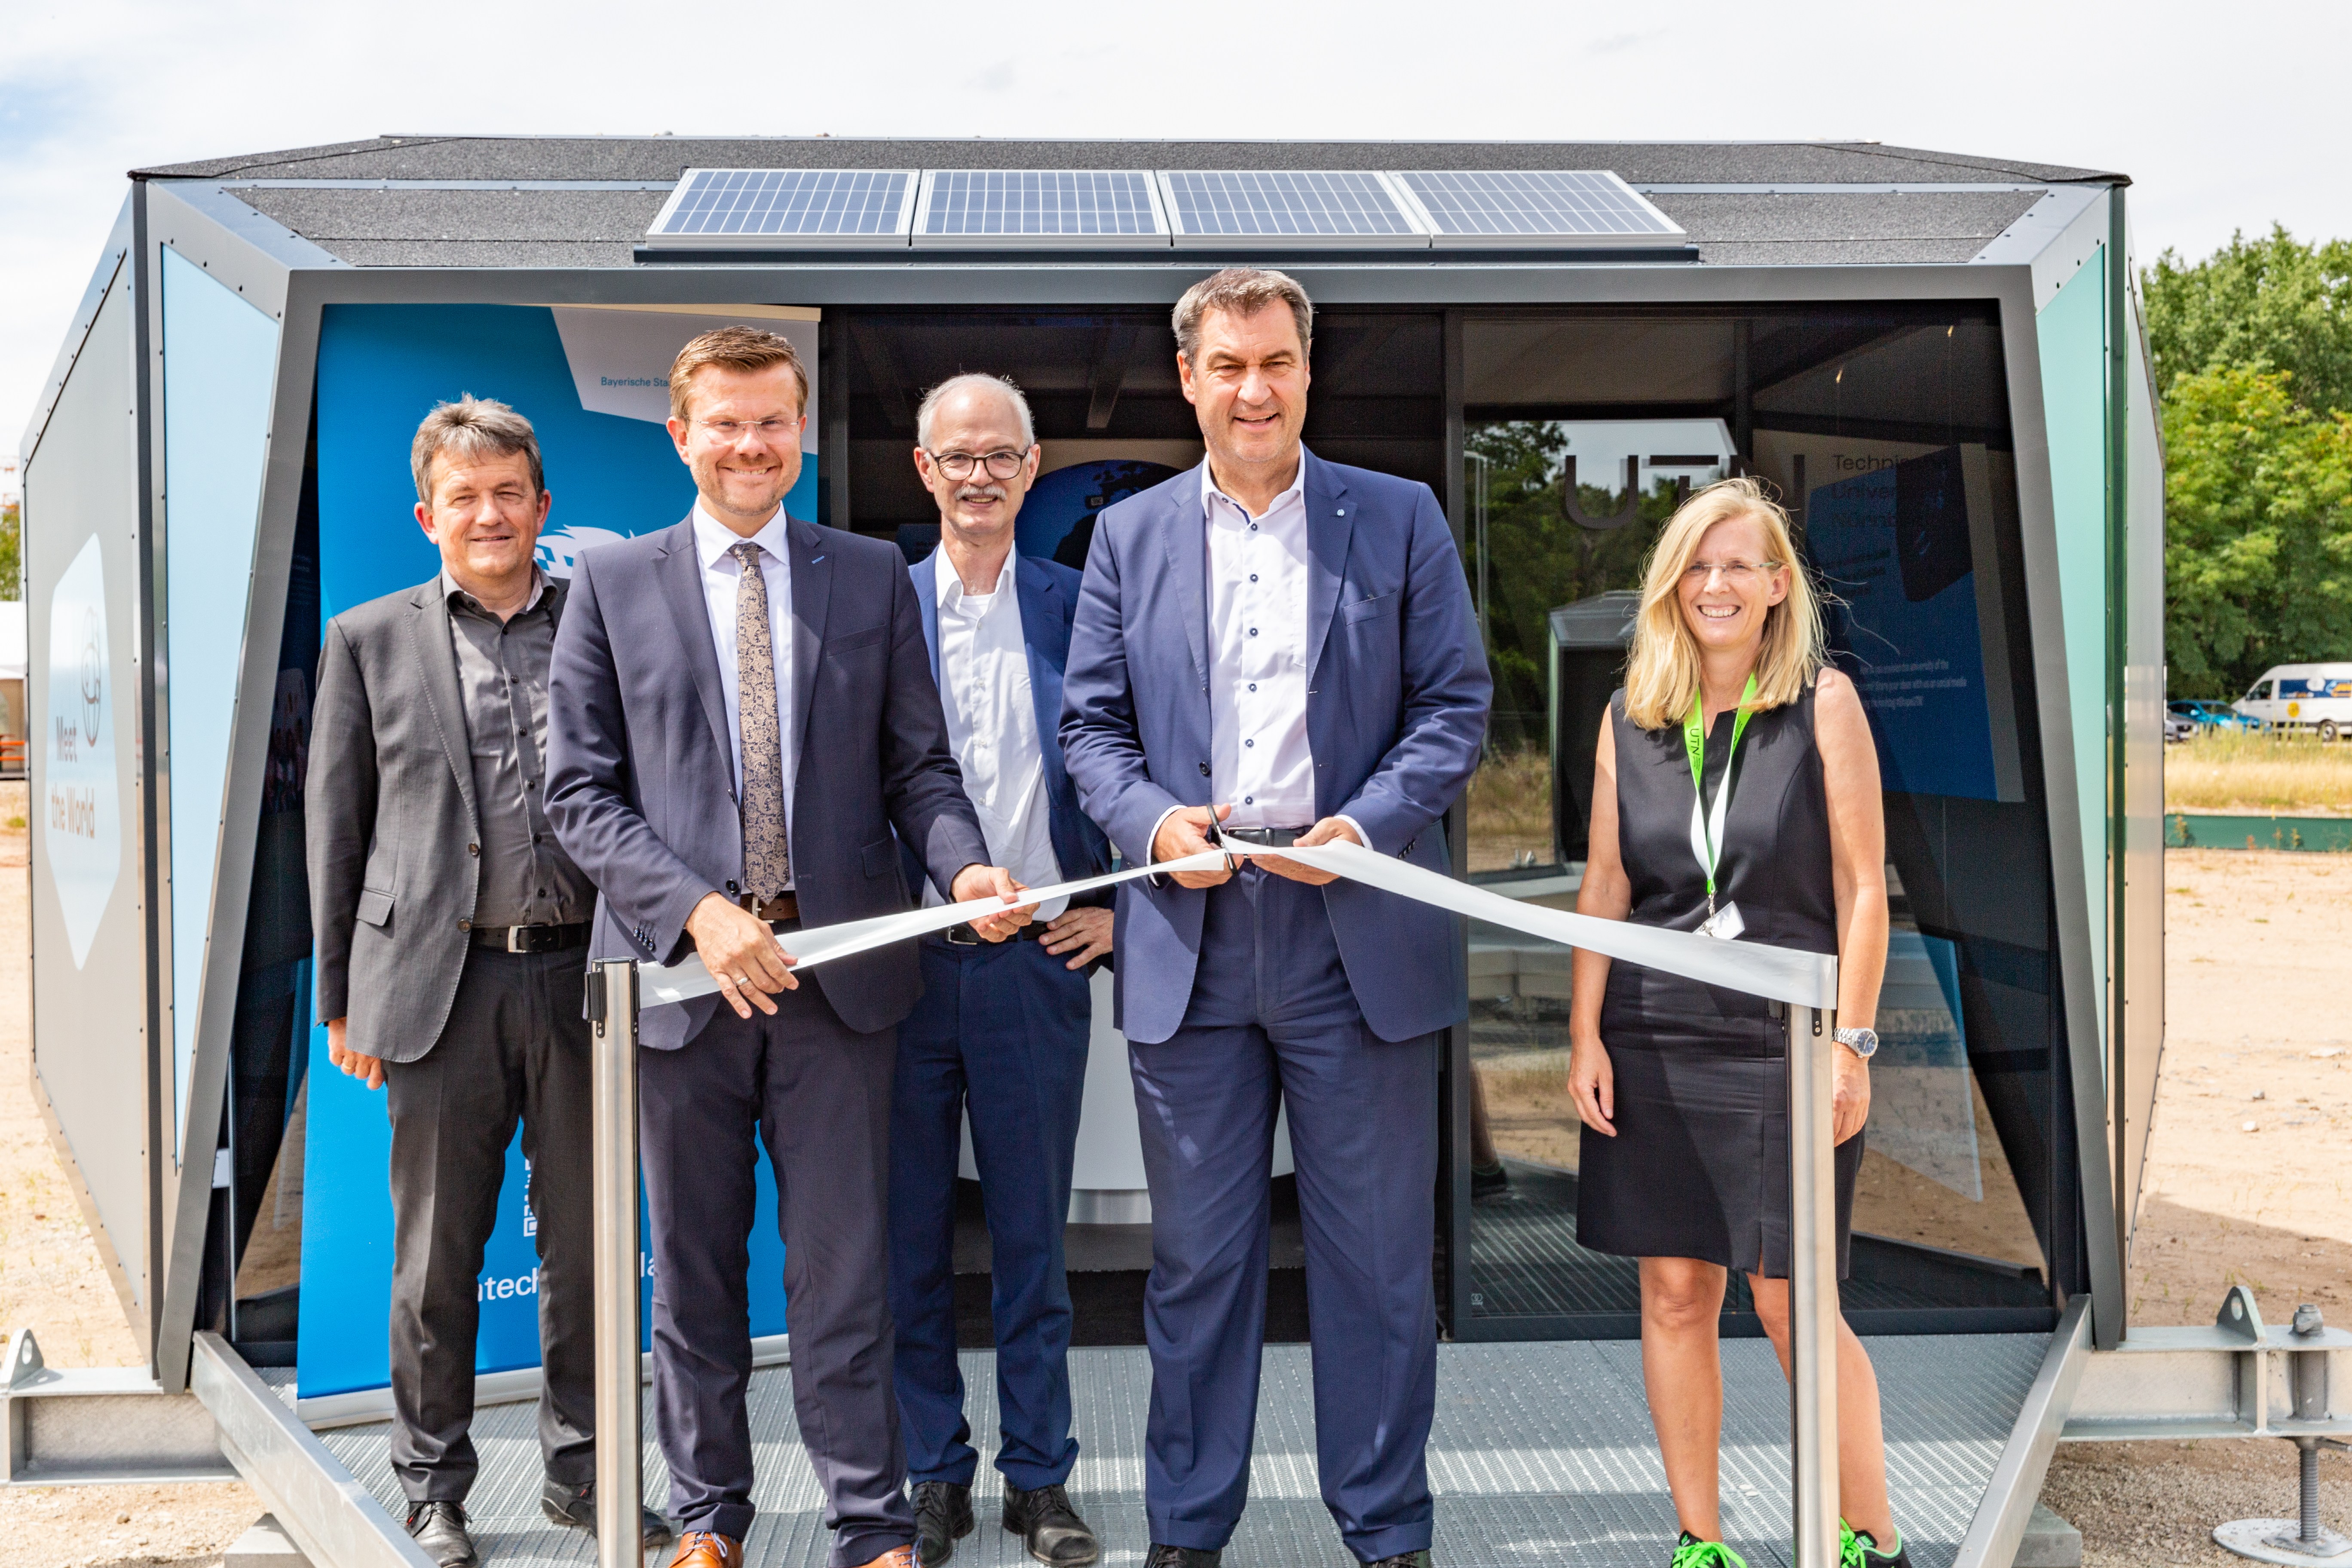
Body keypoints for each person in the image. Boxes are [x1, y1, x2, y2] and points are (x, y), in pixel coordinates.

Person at [545, 327, 1026, 1568]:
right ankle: (709, 1521)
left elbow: (919, 770)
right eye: (726, 422)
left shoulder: (868, 575)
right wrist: (699, 911)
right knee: (694, 1273)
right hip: (681, 983)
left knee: (844, 1274)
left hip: (839, 979)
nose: (751, 445)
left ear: (801, 433)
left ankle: (870, 1525)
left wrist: (965, 866)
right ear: (682, 435)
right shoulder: (612, 583)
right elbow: (580, 793)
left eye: (772, 422)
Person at [1059, 268, 1490, 1568]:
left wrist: (1364, 828)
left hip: (1353, 935)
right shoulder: (1128, 538)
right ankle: (1189, 1532)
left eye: (1278, 363)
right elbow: (1092, 731)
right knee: (1198, 1264)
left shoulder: (1398, 516)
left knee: (1377, 1265)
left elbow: (1454, 708)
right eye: (1230, 366)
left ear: (1309, 372)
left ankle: (1388, 1531)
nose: (1256, 390)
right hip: (1192, 939)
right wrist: (1152, 827)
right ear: (1188, 378)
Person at [307, 397, 670, 1567]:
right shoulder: (368, 638)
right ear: (428, 516)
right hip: (437, 990)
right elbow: (337, 830)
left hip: (588, 984)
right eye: (463, 496)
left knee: (591, 1249)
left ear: (543, 505)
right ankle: (433, 1487)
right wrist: (341, 1001)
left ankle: (586, 1474)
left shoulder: (603, 624)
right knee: (437, 1257)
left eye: (509, 492)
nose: (489, 514)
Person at [1565, 478, 1907, 1568]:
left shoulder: (1824, 704)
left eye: (1737, 567)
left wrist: (1853, 1044)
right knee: (1674, 1294)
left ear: (1776, 586)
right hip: (1655, 1034)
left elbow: (1862, 889)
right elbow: (1607, 884)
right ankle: (1700, 1543)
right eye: (1696, 566)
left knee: (1791, 1300)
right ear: (1674, 584)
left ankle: (1872, 1538)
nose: (1715, 585)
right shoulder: (1632, 715)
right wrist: (1585, 1034)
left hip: (1788, 1040)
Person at [890, 374, 1115, 1568]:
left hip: (1035, 969)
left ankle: (1041, 1480)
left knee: (1033, 1242)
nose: (979, 475)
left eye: (1001, 456)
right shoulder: (875, 605)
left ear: (1033, 471)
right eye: (957, 456)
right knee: (908, 1244)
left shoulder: (1086, 606)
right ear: (924, 470)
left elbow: (1145, 754)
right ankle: (933, 1474)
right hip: (898, 973)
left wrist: (1125, 910)